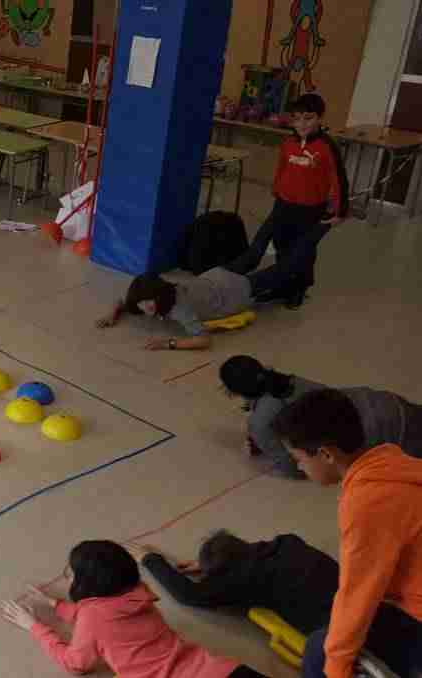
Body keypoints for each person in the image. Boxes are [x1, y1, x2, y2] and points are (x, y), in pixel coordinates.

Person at [272, 390, 422, 678]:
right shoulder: (394, 462)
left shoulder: (367, 502)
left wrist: (336, 668)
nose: (299, 467)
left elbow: (359, 594)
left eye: (298, 459)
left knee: (320, 651)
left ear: (326, 454)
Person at [2, 540, 269, 678]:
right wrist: (57, 605)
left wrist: (34, 627)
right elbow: (103, 623)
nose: (67, 578)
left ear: (86, 584)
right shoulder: (140, 593)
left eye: (70, 574)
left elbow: (76, 665)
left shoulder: (92, 618)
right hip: (224, 671)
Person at [94, 234, 331, 351]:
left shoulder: (179, 309)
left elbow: (203, 339)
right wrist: (111, 314)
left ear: (158, 294)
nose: (148, 308)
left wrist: (168, 343)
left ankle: (316, 235)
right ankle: (303, 237)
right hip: (218, 276)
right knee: (255, 251)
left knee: (284, 268)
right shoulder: (160, 293)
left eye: (149, 301)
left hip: (234, 292)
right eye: (143, 305)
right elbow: (124, 302)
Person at [227, 94, 348, 309]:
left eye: (308, 118)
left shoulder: (327, 146)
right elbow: (282, 169)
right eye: (297, 119)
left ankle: (298, 288)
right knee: (281, 244)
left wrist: (340, 212)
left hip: (311, 209)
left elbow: (339, 180)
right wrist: (277, 191)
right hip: (283, 205)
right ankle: (282, 285)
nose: (302, 124)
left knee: (302, 251)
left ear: (320, 118)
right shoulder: (288, 143)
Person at [220, 356, 422, 476]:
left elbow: (293, 467)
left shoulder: (259, 423)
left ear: (234, 392)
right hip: (382, 402)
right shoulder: (292, 381)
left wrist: (269, 447)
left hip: (391, 434)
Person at [129, 531, 338, 634]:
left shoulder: (244, 580)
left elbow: (187, 594)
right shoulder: (287, 542)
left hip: (334, 624)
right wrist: (208, 564)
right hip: (350, 593)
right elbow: (248, 553)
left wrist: (149, 559)